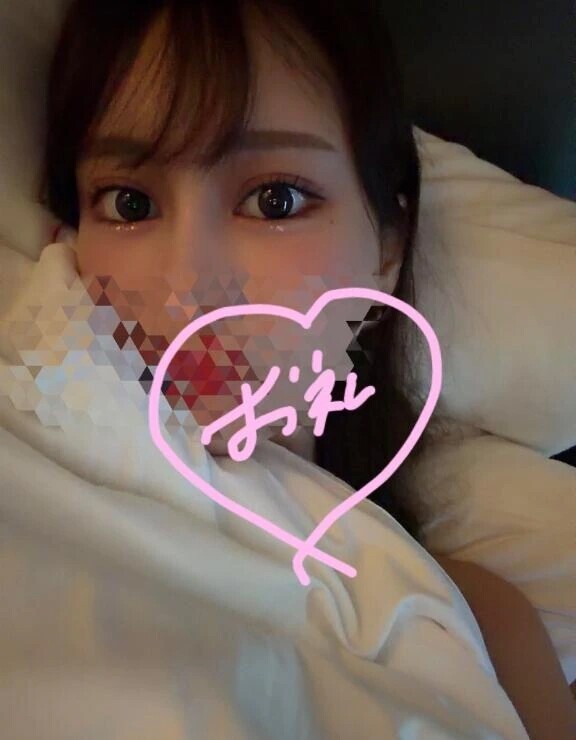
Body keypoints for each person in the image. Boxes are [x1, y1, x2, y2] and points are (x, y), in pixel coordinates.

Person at [38, 1, 576, 736]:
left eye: (275, 200)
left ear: (387, 248)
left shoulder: (482, 628)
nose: (186, 292)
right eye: (129, 204)